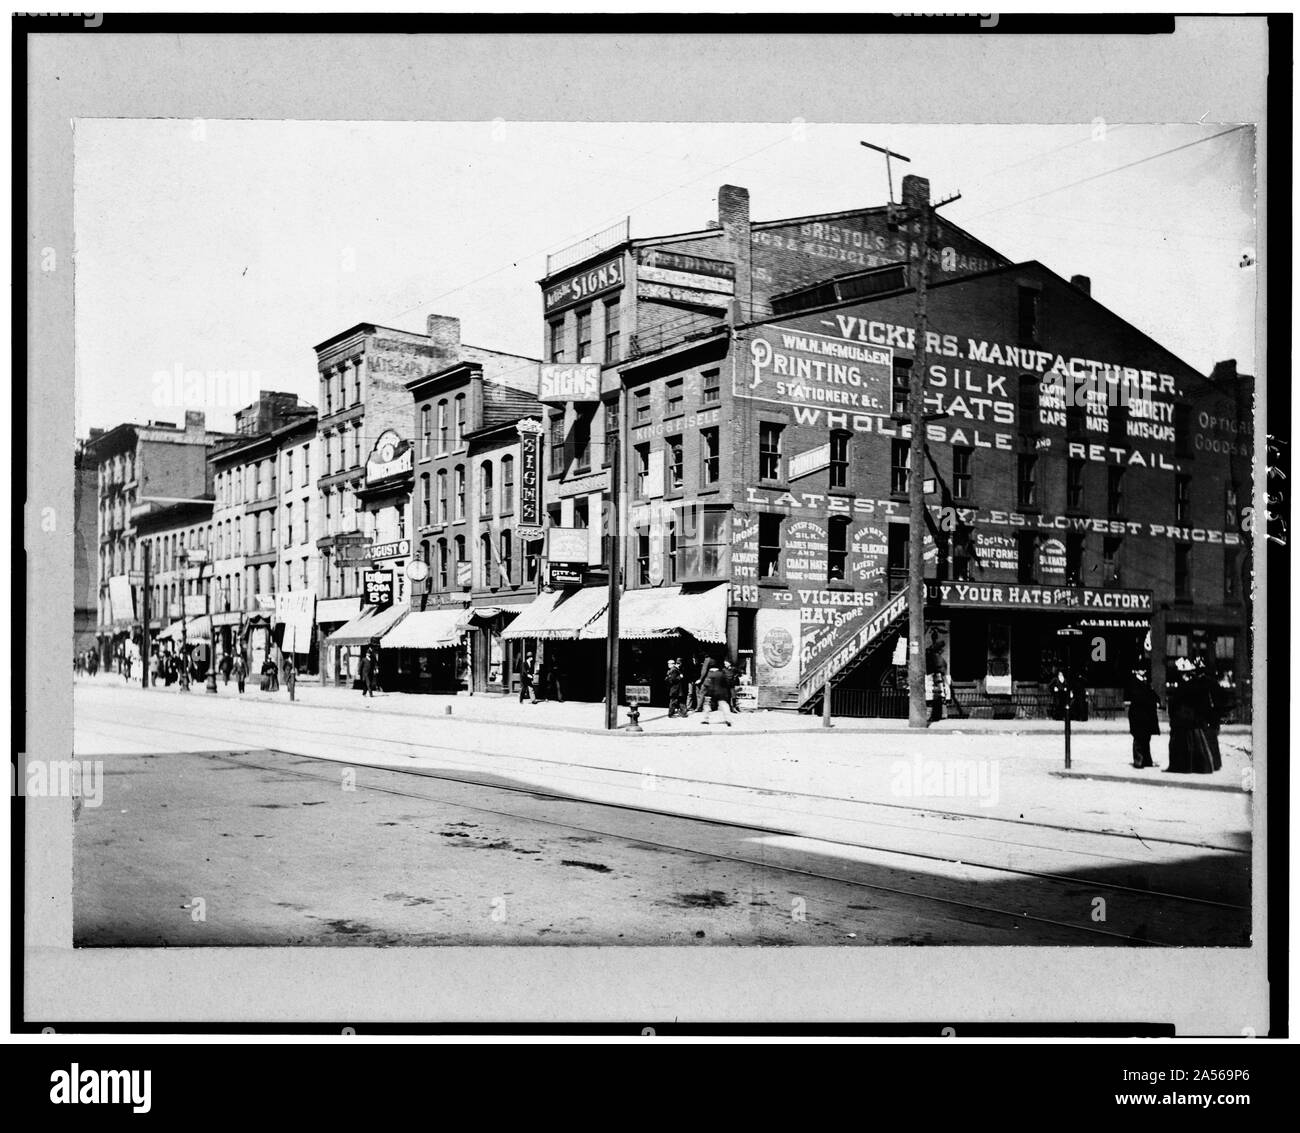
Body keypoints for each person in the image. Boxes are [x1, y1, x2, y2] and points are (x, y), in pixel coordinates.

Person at [1126, 671, 1160, 769]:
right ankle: (1138, 761)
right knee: (1138, 737)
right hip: (1138, 714)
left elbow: (1152, 693)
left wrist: (1157, 700)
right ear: (1136, 671)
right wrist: (1152, 702)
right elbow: (1138, 697)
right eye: (1141, 669)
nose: (1144, 671)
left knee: (1146, 738)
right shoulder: (1133, 682)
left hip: (1146, 714)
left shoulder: (1145, 681)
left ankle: (1147, 760)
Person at [699, 657, 734, 727]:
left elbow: (707, 684)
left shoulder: (709, 674)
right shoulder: (721, 673)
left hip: (710, 692)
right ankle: (728, 719)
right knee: (724, 705)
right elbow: (727, 682)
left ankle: (705, 719)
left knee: (707, 705)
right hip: (721, 692)